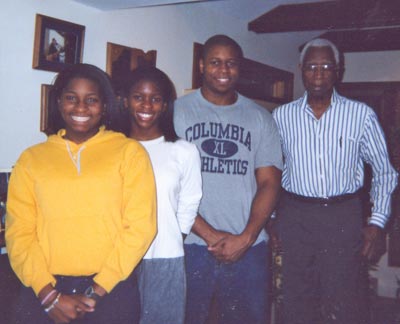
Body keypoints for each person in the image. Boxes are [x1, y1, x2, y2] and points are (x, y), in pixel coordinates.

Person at [5, 63, 157, 324]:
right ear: (59, 102)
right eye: (71, 98)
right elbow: (19, 232)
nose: (81, 108)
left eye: (92, 100)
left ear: (105, 106)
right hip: (42, 292)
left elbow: (141, 227)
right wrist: (48, 295)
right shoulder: (32, 159)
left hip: (111, 292)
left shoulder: (129, 152)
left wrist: (96, 291)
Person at [272, 38, 399, 324]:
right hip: (296, 216)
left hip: (343, 216)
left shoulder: (361, 116)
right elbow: (271, 171)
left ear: (338, 71)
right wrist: (272, 216)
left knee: (346, 301)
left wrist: (377, 223)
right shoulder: (281, 117)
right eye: (312, 67)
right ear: (301, 69)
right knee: (297, 301)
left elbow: (385, 171)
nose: (318, 74)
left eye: (327, 67)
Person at [174, 34, 283, 324]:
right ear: (201, 65)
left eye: (231, 64)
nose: (224, 70)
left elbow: (270, 182)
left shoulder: (260, 117)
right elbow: (166, 187)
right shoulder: (176, 112)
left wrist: (246, 237)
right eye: (215, 62)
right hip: (190, 245)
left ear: (240, 68)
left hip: (249, 247)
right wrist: (210, 235)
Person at [123, 66, 202, 324]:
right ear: (126, 101)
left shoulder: (183, 150)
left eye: (155, 99)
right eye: (138, 96)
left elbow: (190, 201)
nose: (147, 105)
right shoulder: (112, 147)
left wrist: (173, 236)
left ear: (165, 105)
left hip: (165, 256)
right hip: (117, 258)